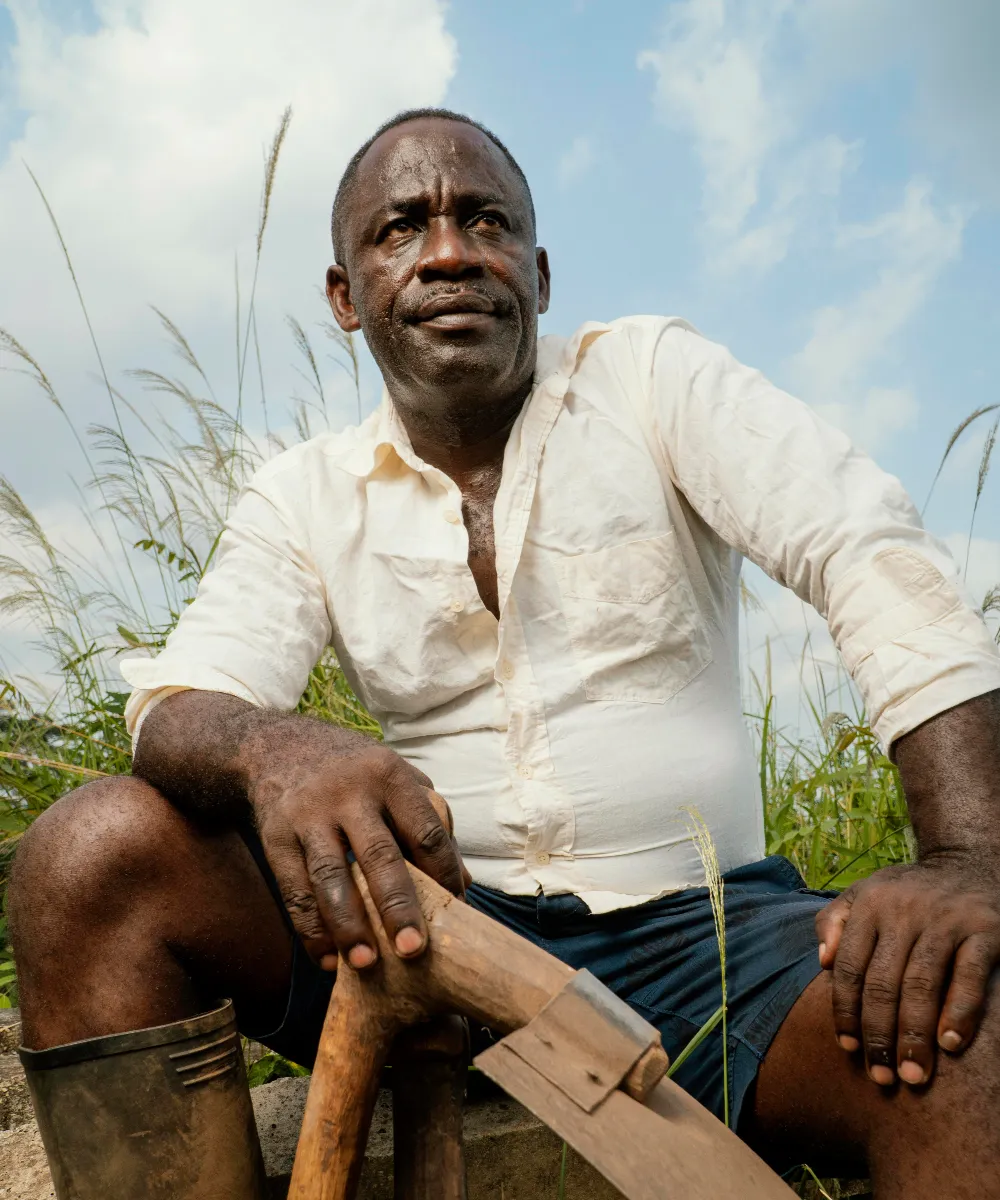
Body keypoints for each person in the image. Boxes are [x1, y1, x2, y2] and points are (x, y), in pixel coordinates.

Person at [11, 108, 1000, 1198]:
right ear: (344, 297)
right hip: (415, 940)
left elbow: (862, 548)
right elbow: (176, 704)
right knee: (89, 854)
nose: (447, 251)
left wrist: (967, 861)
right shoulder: (302, 494)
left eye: (483, 221)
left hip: (710, 949)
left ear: (536, 275)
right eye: (400, 229)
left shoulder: (654, 380)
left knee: (970, 1019)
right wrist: (273, 747)